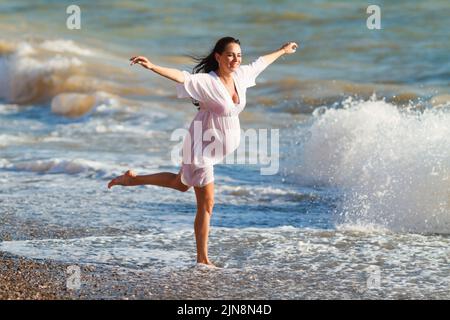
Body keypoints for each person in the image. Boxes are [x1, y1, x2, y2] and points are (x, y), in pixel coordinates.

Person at [108, 37, 298, 266]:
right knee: (207, 204)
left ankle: (132, 180)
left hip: (212, 148)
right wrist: (152, 66)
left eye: (238, 55)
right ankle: (203, 259)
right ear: (218, 57)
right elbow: (182, 76)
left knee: (181, 184)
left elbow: (260, 63)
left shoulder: (241, 76)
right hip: (202, 146)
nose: (235, 59)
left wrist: (282, 50)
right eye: (230, 55)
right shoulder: (207, 82)